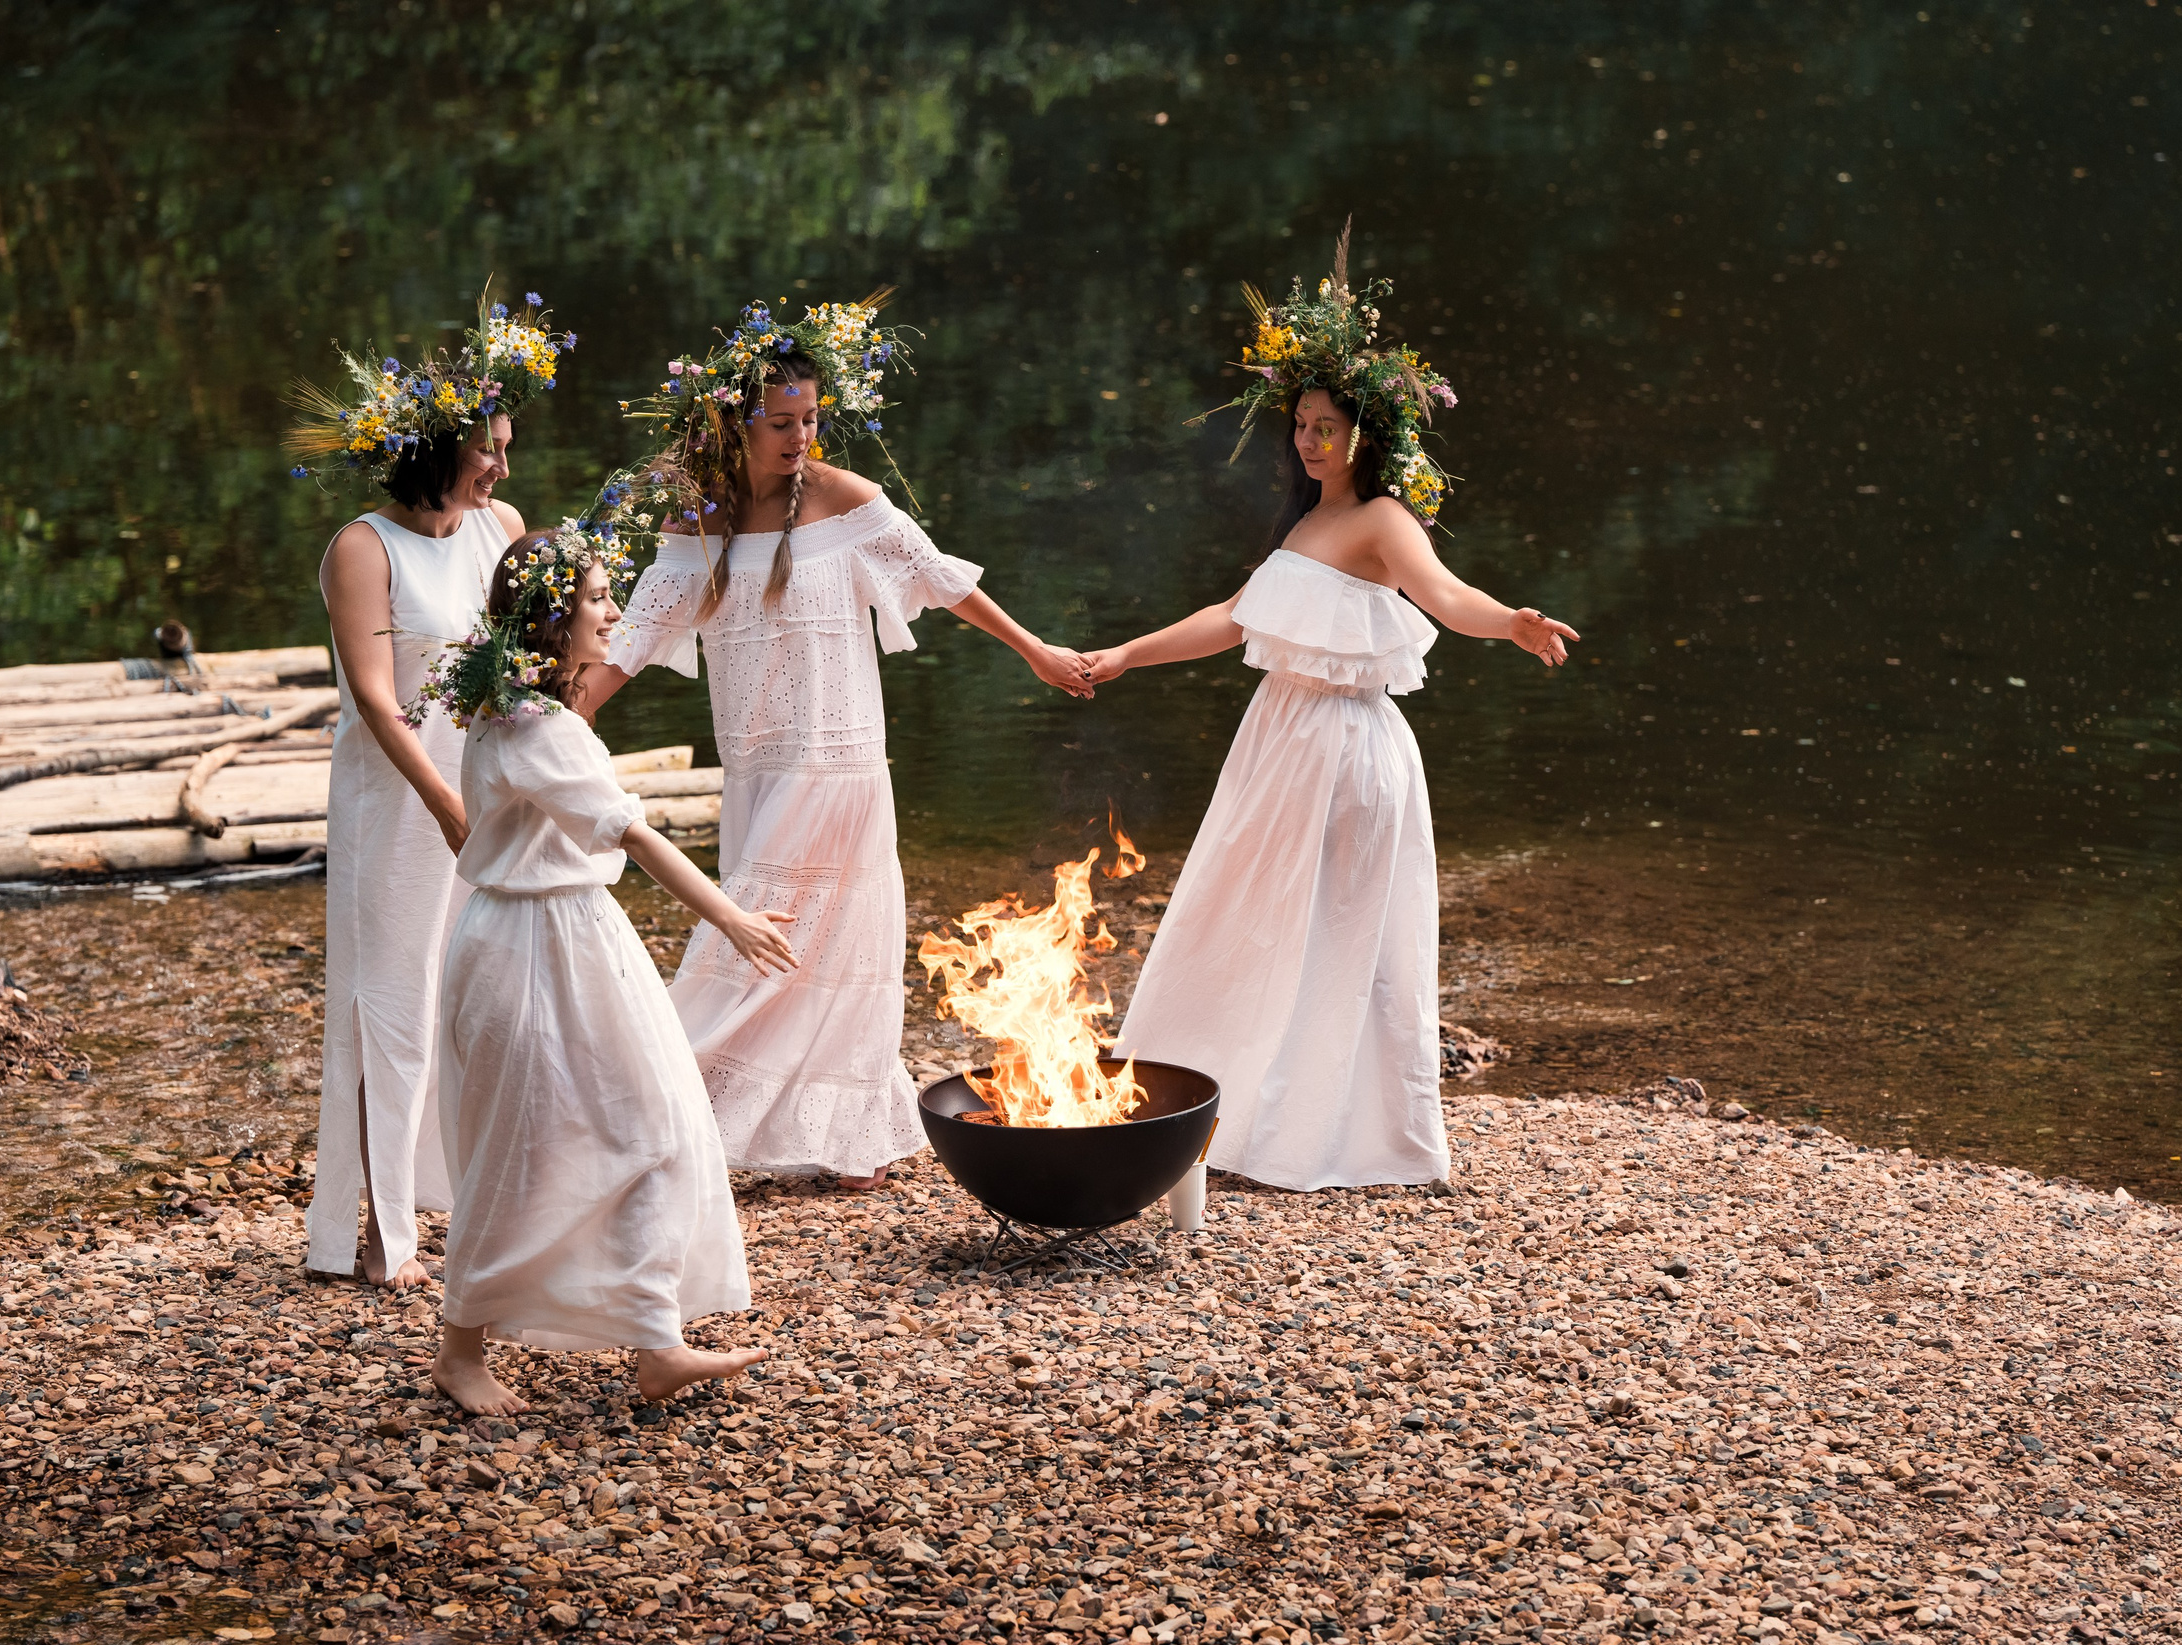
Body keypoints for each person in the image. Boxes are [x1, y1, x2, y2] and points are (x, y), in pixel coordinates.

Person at [1087, 234, 1578, 1191]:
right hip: (1280, 736)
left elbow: (1445, 595)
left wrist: (1511, 623)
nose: (1309, 441)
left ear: (1367, 434)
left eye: (1326, 427)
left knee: (1338, 931)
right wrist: (1126, 655)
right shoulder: (1305, 522)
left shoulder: (1382, 519)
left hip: (1347, 745)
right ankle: (1227, 1108)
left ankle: (1330, 1131)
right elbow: (1233, 619)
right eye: (1301, 425)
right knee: (1253, 915)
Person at [576, 296, 1092, 1189]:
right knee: (752, 942)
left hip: (842, 762)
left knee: (841, 943)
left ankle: (839, 1133)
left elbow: (939, 579)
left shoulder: (846, 501)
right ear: (732, 426)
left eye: (811, 419)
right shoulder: (694, 522)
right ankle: (652, 1104)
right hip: (759, 769)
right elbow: (629, 640)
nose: (800, 438)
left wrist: (1036, 650)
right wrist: (555, 713)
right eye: (781, 423)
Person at [420, 489, 783, 1414]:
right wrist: (730, 916)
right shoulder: (537, 728)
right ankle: (461, 1348)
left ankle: (656, 1339)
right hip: (532, 950)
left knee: (649, 1123)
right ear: (553, 619)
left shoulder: (516, 711)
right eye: (595, 597)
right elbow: (636, 835)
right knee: (529, 1144)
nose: (612, 611)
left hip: (568, 936)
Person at [290, 296, 568, 1287]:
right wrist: (442, 806)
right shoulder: (361, 548)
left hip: (481, 784)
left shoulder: (501, 528)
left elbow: (529, 661)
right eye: (486, 448)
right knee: (391, 1003)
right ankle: (377, 1233)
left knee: (479, 994)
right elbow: (373, 698)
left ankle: (466, 1197)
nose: (500, 467)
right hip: (398, 804)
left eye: (505, 446)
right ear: (433, 449)